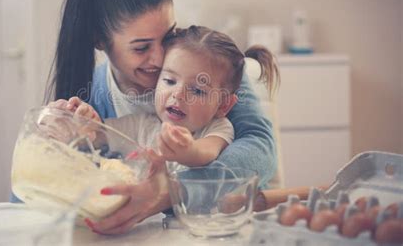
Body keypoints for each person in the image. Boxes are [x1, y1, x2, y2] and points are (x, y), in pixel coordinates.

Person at [42, 0, 277, 234]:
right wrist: (69, 135)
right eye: (141, 48)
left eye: (167, 36)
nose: (159, 56)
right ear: (100, 41)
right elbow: (100, 142)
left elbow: (260, 148)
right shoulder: (96, 94)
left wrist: (174, 191)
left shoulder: (211, 69)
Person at [67, 26, 278, 172]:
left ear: (222, 105)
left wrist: (188, 151)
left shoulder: (217, 128)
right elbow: (101, 135)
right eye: (169, 81)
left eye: (197, 90)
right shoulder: (142, 123)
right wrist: (85, 121)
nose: (177, 94)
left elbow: (206, 150)